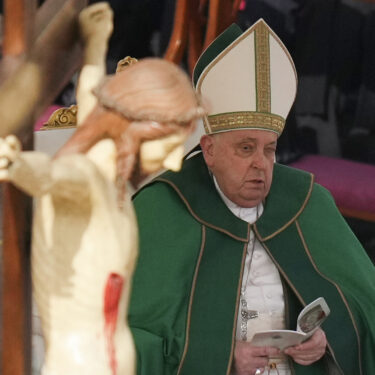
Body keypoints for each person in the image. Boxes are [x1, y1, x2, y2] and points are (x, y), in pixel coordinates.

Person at [128, 19, 375, 375]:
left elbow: (365, 310)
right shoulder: (160, 210)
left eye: (270, 150)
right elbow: (127, 335)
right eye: (245, 148)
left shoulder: (309, 203)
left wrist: (327, 341)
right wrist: (220, 358)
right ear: (209, 150)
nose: (261, 164)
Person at [0, 5, 204, 373]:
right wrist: (13, 164)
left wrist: (95, 46)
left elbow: (95, 100)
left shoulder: (111, 170)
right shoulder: (86, 179)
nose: (174, 163)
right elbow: (49, 176)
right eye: (169, 146)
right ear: (138, 129)